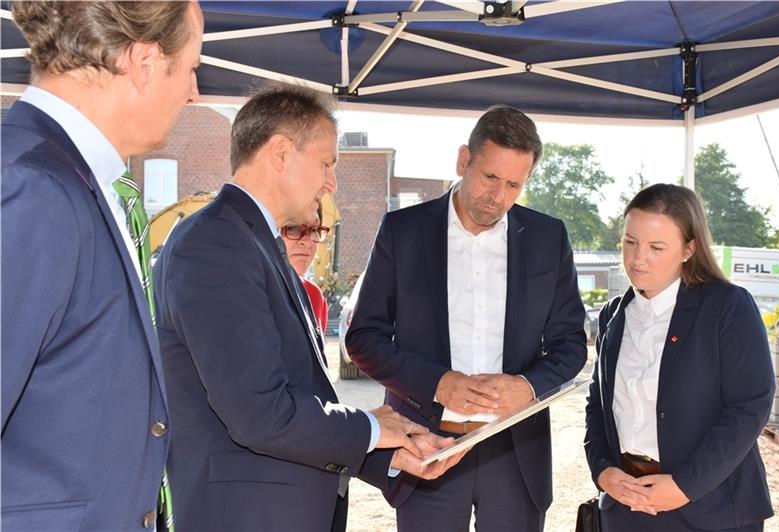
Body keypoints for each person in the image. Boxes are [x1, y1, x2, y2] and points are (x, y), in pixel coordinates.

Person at [154, 85, 464, 532]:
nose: (331, 181)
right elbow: (260, 412)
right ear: (280, 153)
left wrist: (390, 456)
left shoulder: (257, 244)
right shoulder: (216, 243)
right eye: (326, 162)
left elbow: (302, 397)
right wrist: (372, 428)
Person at [1, 1, 202, 529]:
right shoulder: (31, 187)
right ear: (143, 62)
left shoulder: (63, 175)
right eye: (190, 68)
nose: (193, 92)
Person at [346, 105, 588, 531]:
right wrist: (438, 384)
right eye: (490, 177)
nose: (498, 196)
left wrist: (527, 388)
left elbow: (570, 344)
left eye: (515, 184)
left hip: (516, 455)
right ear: (464, 159)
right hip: (427, 446)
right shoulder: (401, 231)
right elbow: (364, 338)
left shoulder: (550, 238)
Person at [584, 183, 775, 531]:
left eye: (656, 247)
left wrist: (686, 486)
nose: (638, 258)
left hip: (710, 509)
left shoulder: (727, 306)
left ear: (689, 249)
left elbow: (749, 407)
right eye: (630, 242)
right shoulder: (613, 314)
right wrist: (602, 470)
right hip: (628, 508)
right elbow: (597, 405)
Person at [282, 213, 331, 333]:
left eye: (314, 229)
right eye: (293, 228)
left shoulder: (314, 296)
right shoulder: (248, 289)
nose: (308, 242)